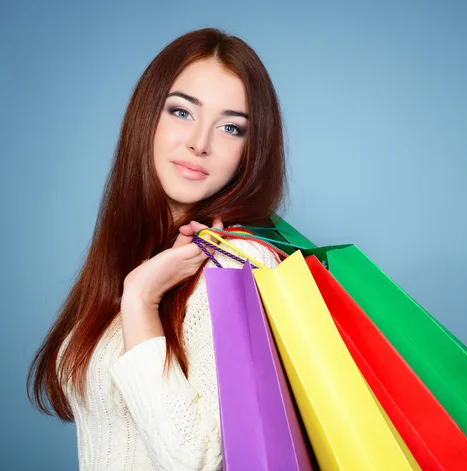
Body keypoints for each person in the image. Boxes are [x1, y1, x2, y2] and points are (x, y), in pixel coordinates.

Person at [27, 28, 286, 470]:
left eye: (230, 127)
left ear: (251, 151)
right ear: (147, 115)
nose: (199, 143)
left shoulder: (235, 264)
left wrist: (142, 300)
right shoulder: (141, 255)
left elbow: (198, 459)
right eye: (182, 112)